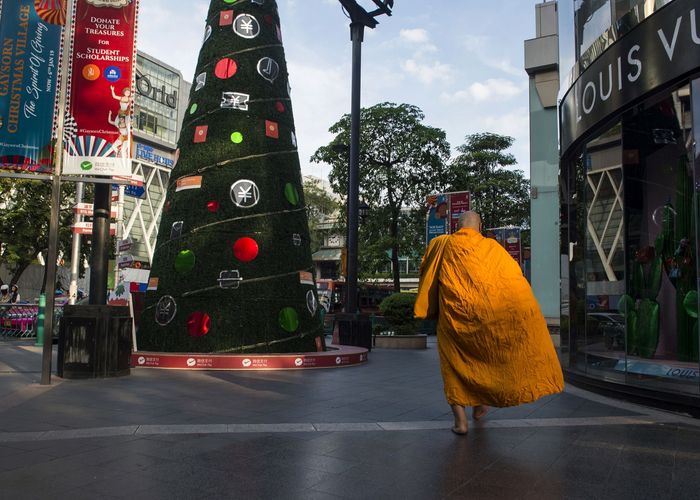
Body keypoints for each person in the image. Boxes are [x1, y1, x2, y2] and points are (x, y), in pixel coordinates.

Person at [414, 211, 564, 435]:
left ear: (457, 225)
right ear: (480, 227)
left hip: (455, 320)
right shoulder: (494, 249)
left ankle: (460, 423)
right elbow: (514, 282)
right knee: (486, 361)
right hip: (490, 322)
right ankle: (481, 403)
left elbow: (426, 270)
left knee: (453, 368)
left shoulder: (442, 243)